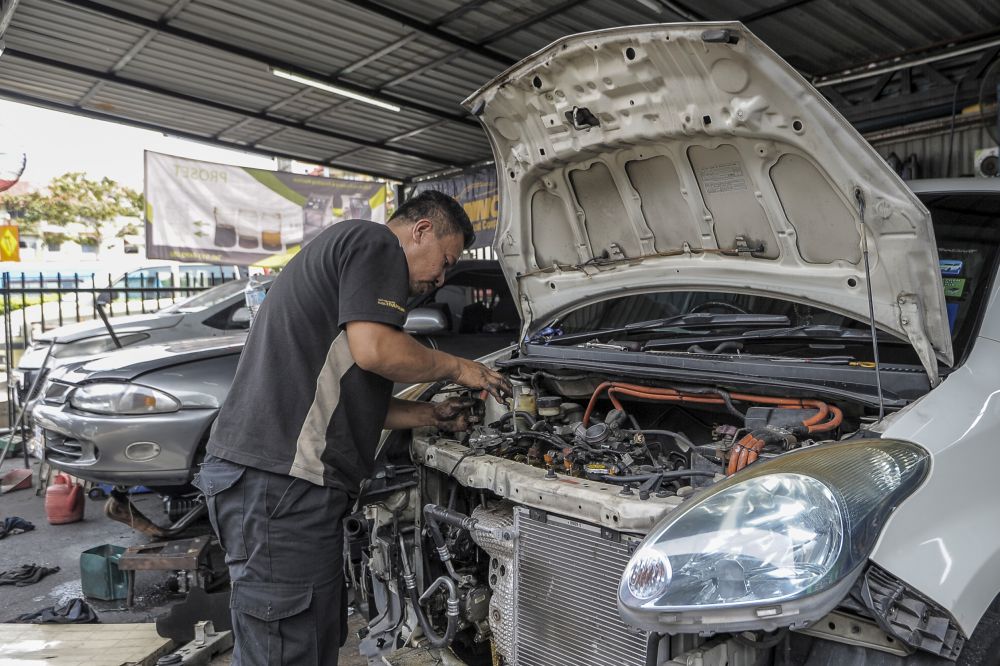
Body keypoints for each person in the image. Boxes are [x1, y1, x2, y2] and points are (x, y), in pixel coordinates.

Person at [194, 190, 511, 665]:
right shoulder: (373, 242)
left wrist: (429, 415)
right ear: (421, 230)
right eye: (444, 261)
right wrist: (457, 368)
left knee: (311, 638)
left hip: (277, 487)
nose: (441, 279)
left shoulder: (344, 265)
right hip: (279, 489)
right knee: (287, 648)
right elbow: (376, 351)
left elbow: (350, 400)